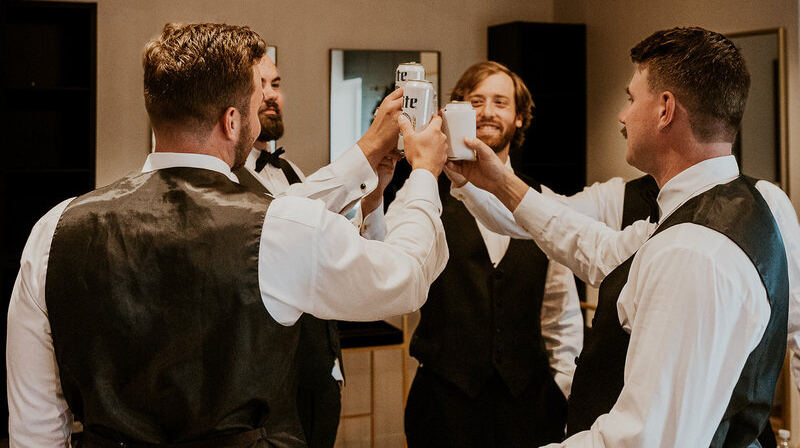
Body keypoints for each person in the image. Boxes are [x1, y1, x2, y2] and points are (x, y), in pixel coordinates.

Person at [6, 22, 449, 447]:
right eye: (257, 103)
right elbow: (406, 279)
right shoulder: (277, 226)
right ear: (232, 121)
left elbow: (37, 422)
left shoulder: (54, 229)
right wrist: (425, 174)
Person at [449, 27, 792, 447]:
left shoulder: (691, 251)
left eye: (631, 99)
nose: (622, 116)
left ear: (665, 110)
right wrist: (495, 181)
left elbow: (644, 440)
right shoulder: (728, 208)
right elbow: (591, 246)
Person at [372, 61, 584, 447]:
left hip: (530, 406)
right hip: (443, 403)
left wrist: (562, 392)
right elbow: (385, 266)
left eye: (501, 102)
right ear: (456, 113)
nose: (488, 111)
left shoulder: (544, 202)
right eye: (476, 101)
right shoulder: (422, 192)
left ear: (519, 118)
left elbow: (560, 312)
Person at [233, 51, 392, 447]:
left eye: (277, 84)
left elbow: (341, 253)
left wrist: (373, 199)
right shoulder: (227, 181)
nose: (271, 95)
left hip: (317, 369)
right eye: (259, 85)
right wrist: (368, 146)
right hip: (261, 385)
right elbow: (279, 223)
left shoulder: (292, 174)